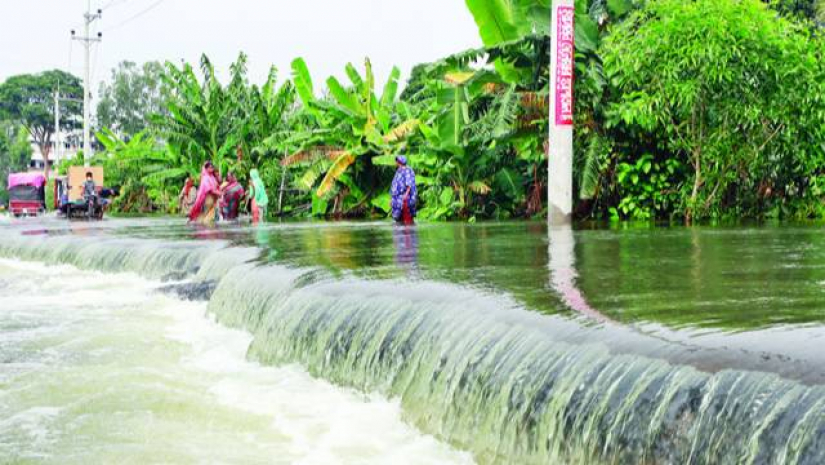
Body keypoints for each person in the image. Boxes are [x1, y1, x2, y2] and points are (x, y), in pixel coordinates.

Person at [188, 161, 221, 225]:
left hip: (213, 200)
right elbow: (210, 190)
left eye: (212, 167)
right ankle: (205, 230)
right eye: (210, 167)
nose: (212, 169)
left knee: (208, 215)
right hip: (208, 200)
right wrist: (219, 193)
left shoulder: (212, 177)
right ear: (206, 168)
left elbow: (217, 185)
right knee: (207, 216)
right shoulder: (205, 178)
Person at [390, 155, 416, 225]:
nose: (396, 162)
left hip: (405, 197)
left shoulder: (407, 170)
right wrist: (392, 199)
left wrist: (406, 194)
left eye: (397, 161)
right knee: (399, 218)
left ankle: (408, 230)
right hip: (398, 197)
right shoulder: (399, 171)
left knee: (407, 216)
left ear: (399, 162)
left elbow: (409, 183)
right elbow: (395, 185)